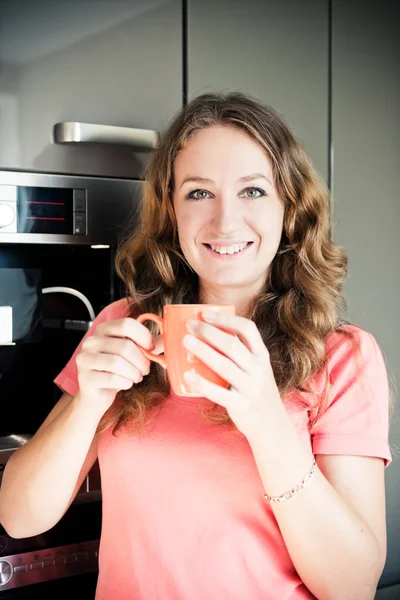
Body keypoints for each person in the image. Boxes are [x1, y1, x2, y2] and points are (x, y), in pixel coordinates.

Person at [0, 92, 392, 600]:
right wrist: (89, 404)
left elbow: (354, 586)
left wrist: (267, 422)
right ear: (172, 211)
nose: (225, 221)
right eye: (198, 193)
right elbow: (19, 515)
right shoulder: (125, 327)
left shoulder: (343, 357)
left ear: (289, 208)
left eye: (252, 191)